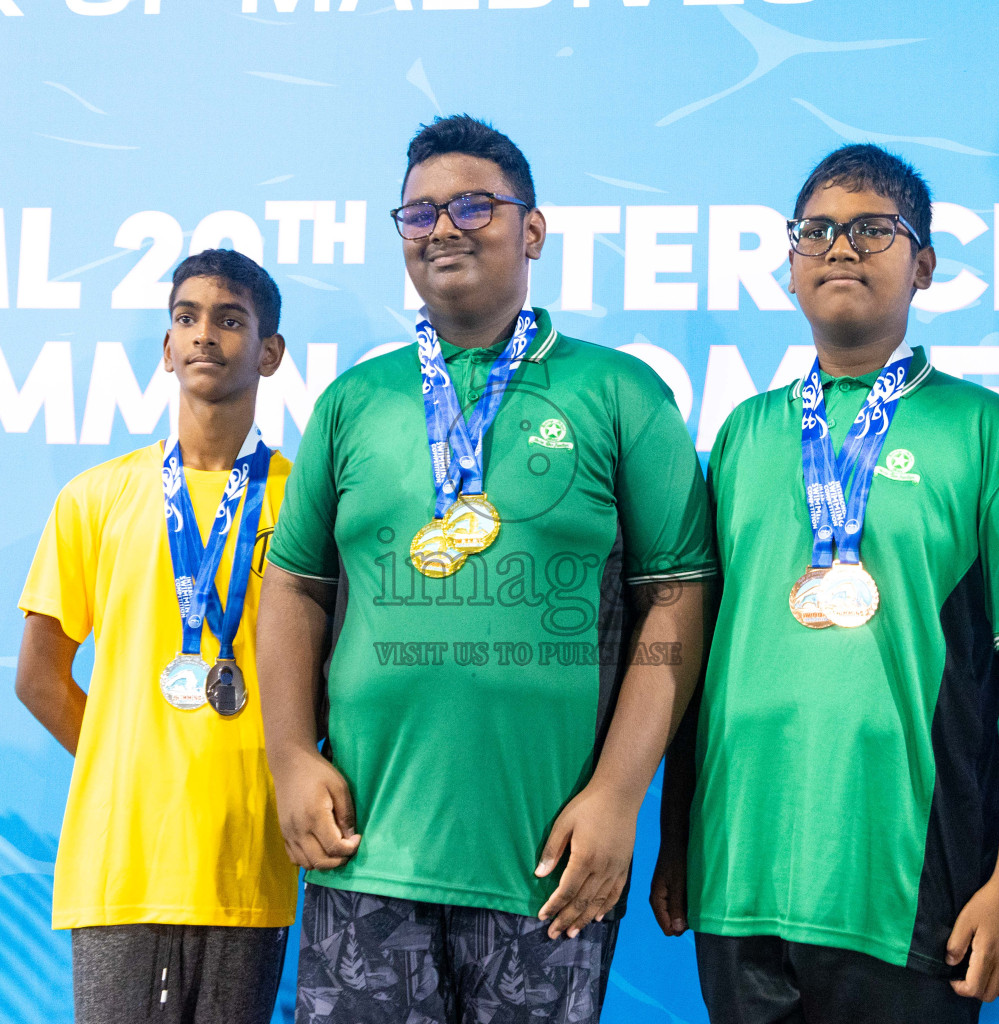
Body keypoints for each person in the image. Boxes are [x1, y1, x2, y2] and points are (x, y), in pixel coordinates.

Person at [258, 114, 716, 1024]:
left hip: (547, 865)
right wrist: (287, 756)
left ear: (533, 230)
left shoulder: (618, 392)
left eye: (474, 204)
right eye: (419, 213)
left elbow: (677, 599)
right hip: (367, 853)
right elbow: (296, 586)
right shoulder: (355, 398)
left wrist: (620, 795)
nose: (444, 228)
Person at [651, 144, 999, 1023]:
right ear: (789, 265)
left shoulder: (994, 436)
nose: (841, 247)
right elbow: (698, 652)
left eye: (873, 229)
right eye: (818, 230)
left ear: (923, 265)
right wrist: (676, 838)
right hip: (739, 876)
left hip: (909, 886)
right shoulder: (741, 436)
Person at [15, 248, 298, 1023]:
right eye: (187, 318)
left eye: (231, 319)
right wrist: (124, 758)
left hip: (248, 856)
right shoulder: (96, 497)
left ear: (269, 353)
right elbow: (38, 676)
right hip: (120, 861)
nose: (206, 335)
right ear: (168, 349)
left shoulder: (306, 501)